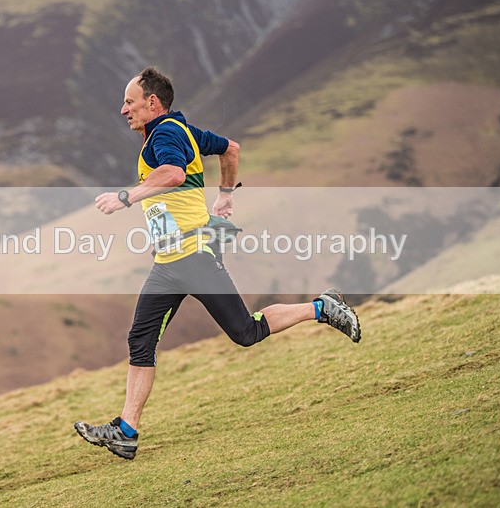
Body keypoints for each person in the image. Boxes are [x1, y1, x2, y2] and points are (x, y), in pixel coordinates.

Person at [74, 67, 360, 460]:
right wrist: (225, 196)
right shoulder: (182, 130)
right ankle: (126, 431)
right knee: (140, 341)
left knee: (245, 332)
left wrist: (126, 197)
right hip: (168, 263)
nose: (123, 109)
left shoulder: (167, 134)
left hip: (195, 256)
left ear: (152, 102)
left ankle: (322, 307)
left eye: (129, 101)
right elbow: (232, 149)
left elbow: (174, 174)